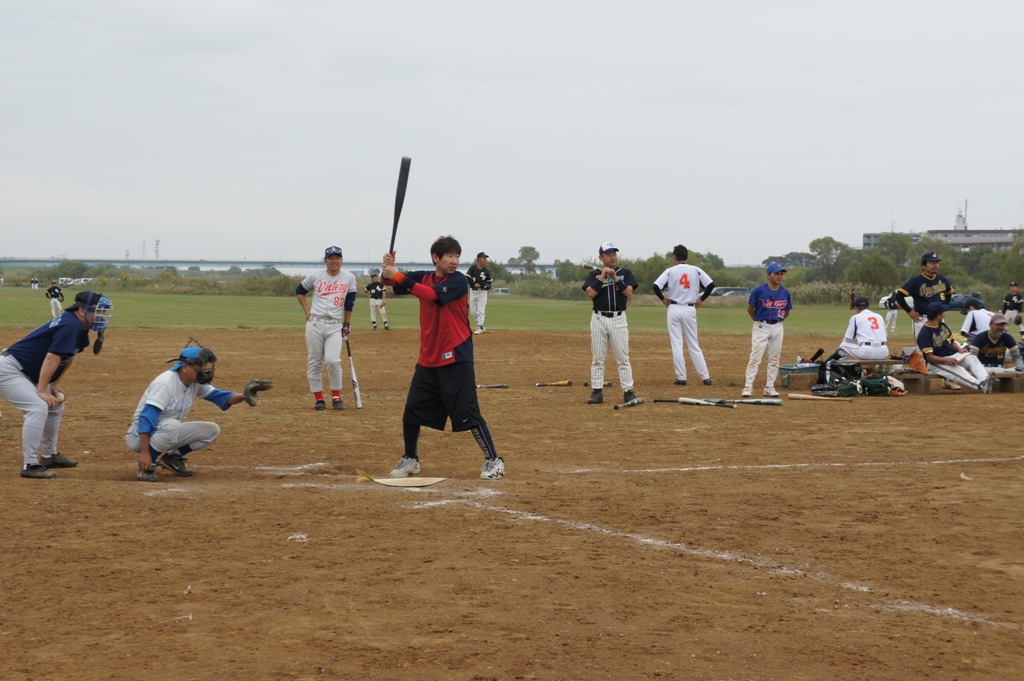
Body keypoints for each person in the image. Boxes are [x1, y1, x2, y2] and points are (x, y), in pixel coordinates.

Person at [380, 235, 504, 480]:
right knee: (412, 411)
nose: (455, 261)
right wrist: (387, 269)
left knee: (468, 412)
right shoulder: (423, 275)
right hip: (428, 357)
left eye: (457, 256)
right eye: (449, 256)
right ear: (436, 258)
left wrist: (395, 274)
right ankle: (410, 458)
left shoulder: (458, 280)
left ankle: (494, 460)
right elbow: (393, 285)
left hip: (456, 356)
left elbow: (431, 296)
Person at [0, 290, 112, 479]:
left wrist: (54, 384)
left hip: (24, 372)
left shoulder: (80, 327)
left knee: (55, 405)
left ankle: (49, 456)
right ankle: (30, 465)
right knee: (38, 407)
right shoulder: (71, 324)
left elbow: (68, 356)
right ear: (81, 310)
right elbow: (53, 356)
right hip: (9, 371)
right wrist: (42, 390)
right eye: (98, 311)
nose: (101, 316)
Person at [127, 344, 253, 482]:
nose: (204, 369)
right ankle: (146, 466)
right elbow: (146, 418)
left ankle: (172, 458)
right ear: (185, 367)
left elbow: (222, 397)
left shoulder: (195, 382)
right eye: (199, 366)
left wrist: (246, 395)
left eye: (205, 365)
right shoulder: (165, 384)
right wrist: (145, 452)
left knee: (211, 430)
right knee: (173, 425)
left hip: (165, 432)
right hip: (139, 435)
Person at [296, 246, 357, 410]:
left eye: (337, 258)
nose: (334, 261)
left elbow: (350, 303)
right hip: (315, 324)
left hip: (335, 325)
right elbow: (299, 291)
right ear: (325, 261)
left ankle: (336, 396)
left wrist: (347, 323)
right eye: (331, 258)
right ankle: (319, 398)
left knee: (332, 360)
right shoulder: (315, 276)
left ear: (342, 260)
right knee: (315, 362)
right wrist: (307, 311)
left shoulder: (349, 277)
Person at [583, 242, 639, 405]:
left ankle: (628, 391)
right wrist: (602, 277)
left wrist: (614, 277)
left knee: (623, 357)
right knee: (598, 357)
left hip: (618, 318)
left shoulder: (625, 273)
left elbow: (628, 292)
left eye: (614, 254)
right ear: (601, 258)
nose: (613, 257)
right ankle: (597, 391)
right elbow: (591, 292)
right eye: (609, 255)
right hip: (599, 318)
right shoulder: (594, 275)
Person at [652, 244, 715, 386]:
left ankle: (681, 377)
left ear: (674, 257)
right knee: (693, 343)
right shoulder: (696, 270)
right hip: (690, 308)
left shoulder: (670, 271)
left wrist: (663, 299)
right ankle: (705, 377)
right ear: (686, 256)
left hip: (673, 308)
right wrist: (701, 299)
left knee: (677, 344)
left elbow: (656, 286)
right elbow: (711, 285)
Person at [742, 263, 793, 398]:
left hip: (778, 326)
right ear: (768, 275)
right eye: (776, 273)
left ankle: (769, 387)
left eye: (781, 274)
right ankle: (748, 386)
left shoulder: (785, 293)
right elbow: (750, 309)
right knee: (755, 356)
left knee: (774, 358)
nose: (779, 276)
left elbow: (786, 312)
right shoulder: (758, 291)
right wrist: (758, 320)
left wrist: (777, 322)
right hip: (761, 325)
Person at [916, 302, 991, 392]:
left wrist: (959, 349)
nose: (945, 313)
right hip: (936, 363)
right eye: (943, 312)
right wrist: (947, 360)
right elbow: (929, 357)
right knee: (958, 371)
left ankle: (986, 380)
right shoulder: (924, 334)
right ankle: (981, 386)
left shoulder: (942, 325)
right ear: (938, 316)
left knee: (972, 358)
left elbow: (952, 342)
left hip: (952, 357)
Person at [896, 252, 955, 341]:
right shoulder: (915, 281)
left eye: (937, 262)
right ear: (923, 266)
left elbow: (949, 293)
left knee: (940, 347)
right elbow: (899, 295)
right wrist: (909, 311)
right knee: (921, 349)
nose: (935, 265)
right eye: (931, 262)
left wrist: (945, 309)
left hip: (939, 319)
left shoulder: (942, 279)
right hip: (922, 319)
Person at [838, 296, 888, 361]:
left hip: (866, 352)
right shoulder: (879, 316)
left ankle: (841, 367)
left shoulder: (855, 317)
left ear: (856, 308)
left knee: (843, 345)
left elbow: (848, 340)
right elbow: (884, 336)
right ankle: (881, 369)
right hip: (883, 352)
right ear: (869, 307)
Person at [466, 251, 493, 335]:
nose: (485, 260)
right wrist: (474, 284)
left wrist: (482, 286)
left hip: (482, 292)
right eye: (483, 258)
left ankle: (480, 326)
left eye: (486, 258)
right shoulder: (472, 269)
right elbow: (467, 279)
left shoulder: (486, 271)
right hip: (473, 291)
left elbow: (489, 284)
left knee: (481, 310)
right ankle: (481, 325)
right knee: (473, 312)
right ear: (478, 259)